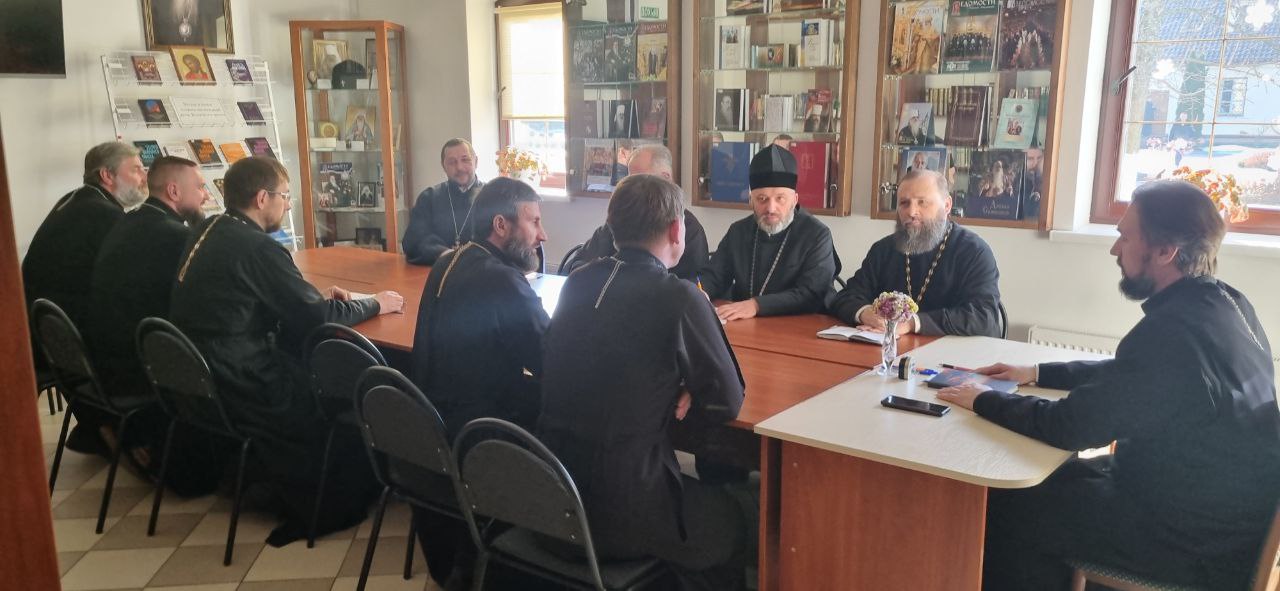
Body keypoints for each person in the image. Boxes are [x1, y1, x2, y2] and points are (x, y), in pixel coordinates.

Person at [937, 180, 1280, 590]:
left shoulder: (1170, 334)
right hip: (1220, 514)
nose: (1115, 249)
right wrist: (1038, 373)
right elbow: (1131, 376)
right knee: (1047, 480)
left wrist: (983, 400)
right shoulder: (1226, 303)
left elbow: (1070, 426)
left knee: (1002, 503)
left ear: (1165, 251)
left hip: (1188, 541)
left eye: (1125, 237)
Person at [169, 157, 405, 544]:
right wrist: (376, 303)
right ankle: (336, 499)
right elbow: (318, 317)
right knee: (337, 389)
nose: (288, 204)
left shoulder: (208, 229)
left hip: (202, 376)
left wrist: (311, 298)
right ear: (262, 198)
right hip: (244, 379)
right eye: (285, 195)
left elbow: (249, 301)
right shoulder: (257, 247)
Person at [538, 174, 750, 590]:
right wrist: (687, 380)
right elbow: (728, 400)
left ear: (611, 226)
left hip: (549, 496)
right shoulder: (680, 296)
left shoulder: (578, 281)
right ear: (676, 230)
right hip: (622, 513)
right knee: (736, 516)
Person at [409, 177, 549, 587]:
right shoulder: (502, 280)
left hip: (432, 428)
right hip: (482, 434)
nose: (543, 235)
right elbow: (549, 358)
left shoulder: (449, 261)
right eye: (534, 221)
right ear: (501, 225)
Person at [83, 156, 213, 491]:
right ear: (174, 191)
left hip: (105, 358)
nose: (206, 196)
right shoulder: (174, 236)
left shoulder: (130, 221)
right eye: (200, 187)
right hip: (140, 367)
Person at [830, 170, 1002, 336]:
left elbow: (983, 317)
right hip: (890, 349)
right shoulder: (883, 250)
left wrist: (912, 323)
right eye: (904, 203)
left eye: (922, 202)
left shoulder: (974, 252)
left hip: (952, 352)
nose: (911, 212)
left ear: (947, 205)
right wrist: (866, 313)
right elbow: (847, 296)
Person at [699, 144, 839, 321]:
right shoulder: (738, 232)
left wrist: (756, 305)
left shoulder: (817, 235)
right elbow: (714, 276)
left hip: (800, 327)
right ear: (751, 200)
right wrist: (698, 292)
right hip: (746, 326)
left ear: (794, 200)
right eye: (762, 199)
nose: (771, 208)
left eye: (780, 198)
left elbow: (812, 293)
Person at [568, 144, 709, 280]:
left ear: (665, 177)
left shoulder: (689, 229)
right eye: (629, 179)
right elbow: (576, 265)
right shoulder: (621, 217)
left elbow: (691, 285)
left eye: (641, 179)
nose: (632, 188)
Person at [402, 138, 484, 265]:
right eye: (452, 162)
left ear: (476, 162)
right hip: (438, 270)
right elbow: (414, 240)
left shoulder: (492, 197)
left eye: (465, 160)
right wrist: (447, 255)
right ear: (443, 166)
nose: (459, 167)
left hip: (481, 270)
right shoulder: (429, 198)